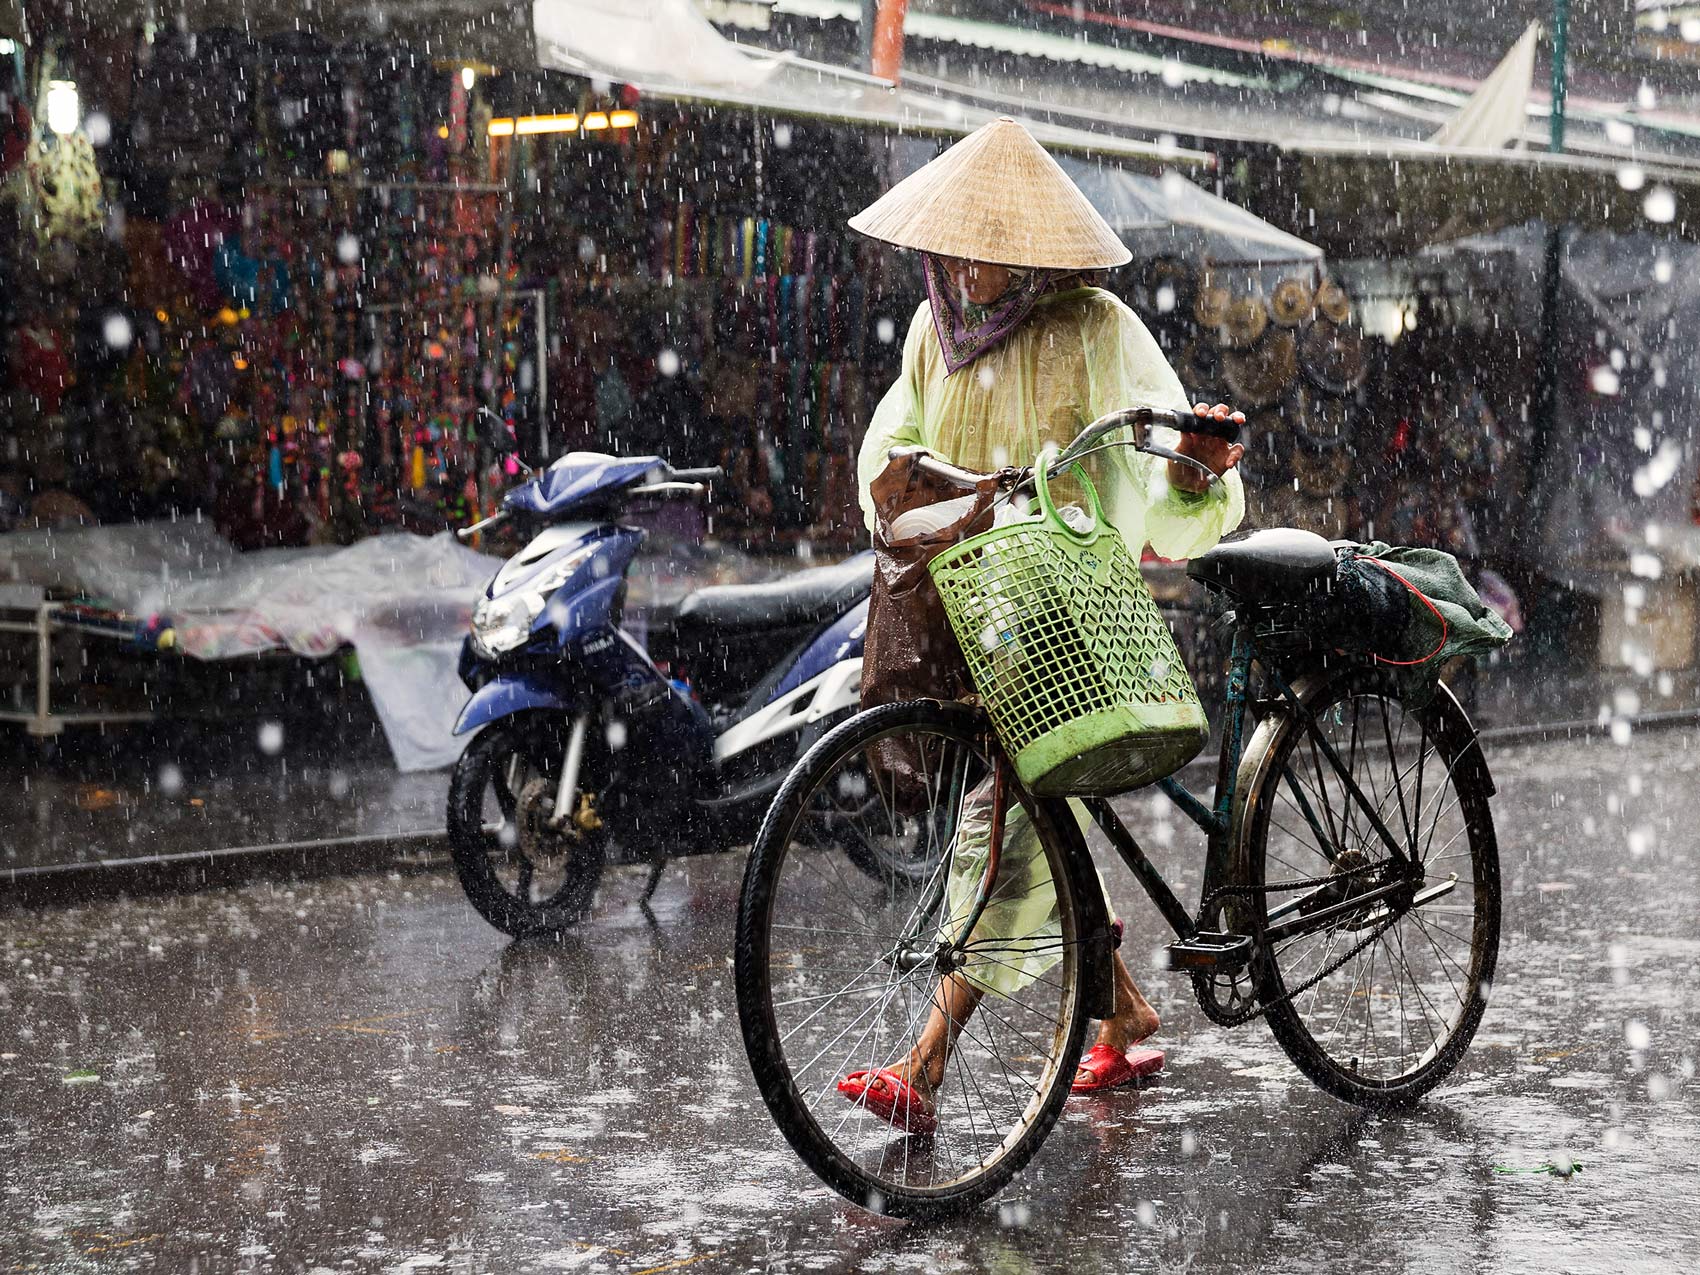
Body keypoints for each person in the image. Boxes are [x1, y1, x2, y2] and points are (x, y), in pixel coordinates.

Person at [846, 118, 1247, 1126]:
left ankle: (924, 1065)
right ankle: (1119, 1014)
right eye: (961, 247)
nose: (974, 269)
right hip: (970, 611)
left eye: (995, 250)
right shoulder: (927, 333)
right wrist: (908, 487)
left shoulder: (1096, 326)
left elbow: (1160, 445)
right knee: (1033, 817)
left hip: (1067, 608)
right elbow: (888, 448)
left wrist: (1195, 467)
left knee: (1005, 821)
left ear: (1032, 251)